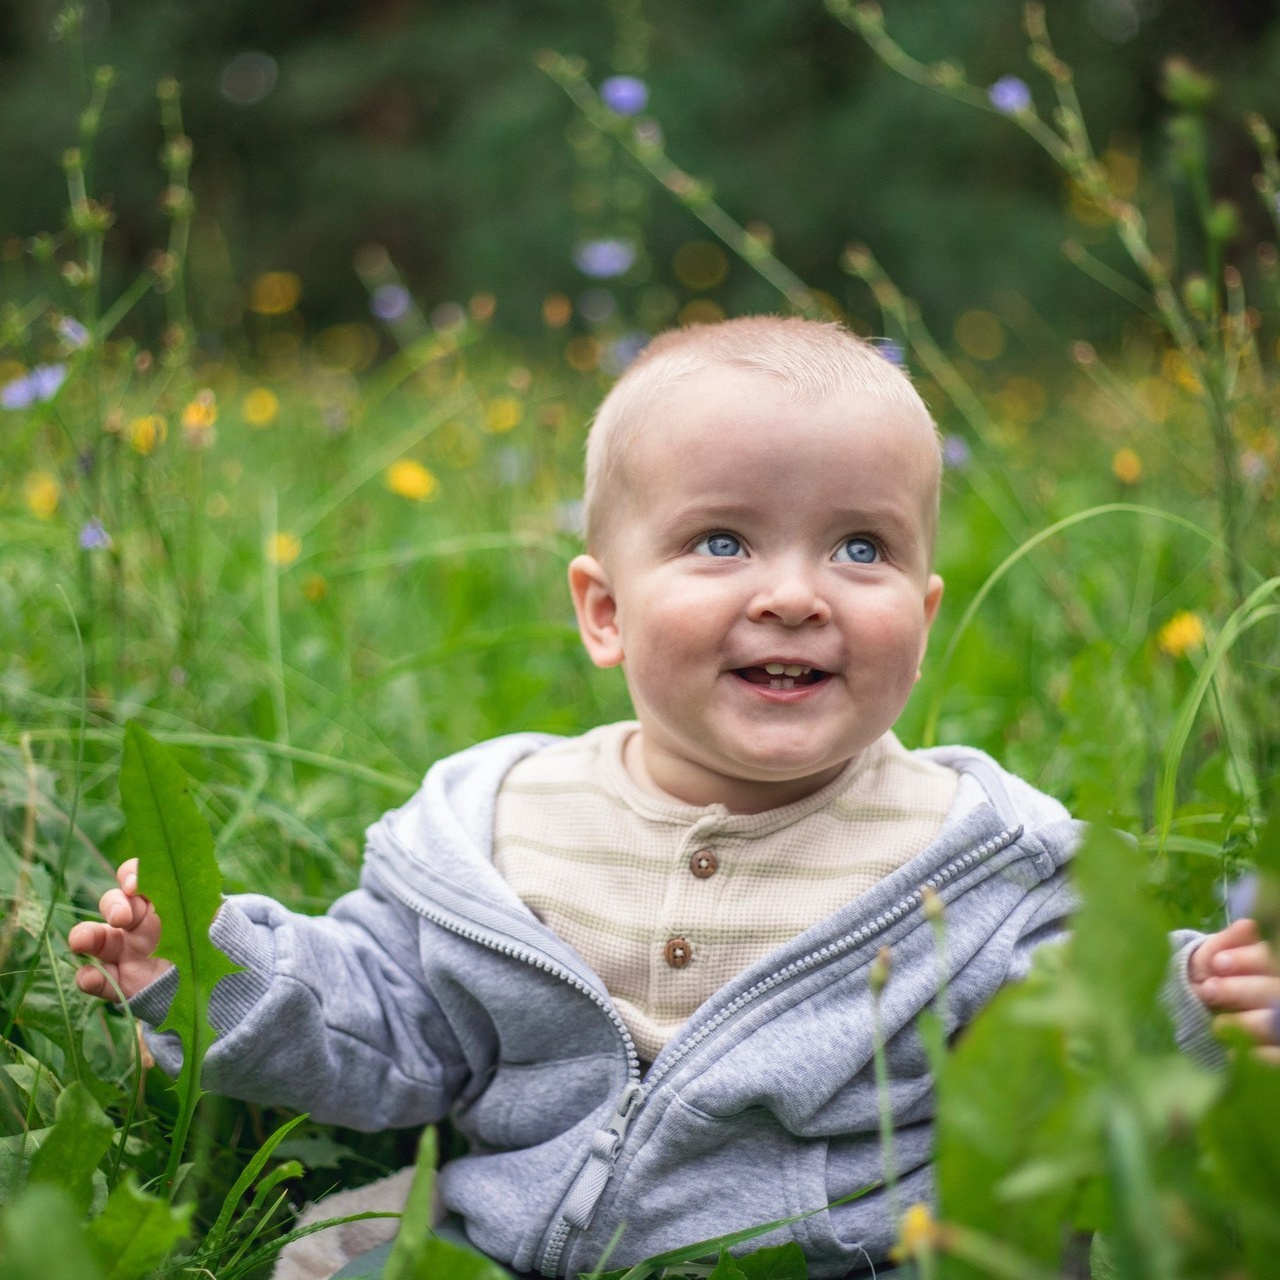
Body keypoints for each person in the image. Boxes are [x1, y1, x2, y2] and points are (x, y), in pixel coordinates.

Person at [69, 317, 1280, 1280]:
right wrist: (211, 965)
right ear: (603, 610)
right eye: (721, 541)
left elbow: (1067, 1044)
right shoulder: (498, 827)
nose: (796, 593)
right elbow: (388, 1026)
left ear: (918, 616)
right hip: (504, 1240)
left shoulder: (968, 859)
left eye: (860, 547)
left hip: (837, 1254)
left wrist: (1195, 1004)